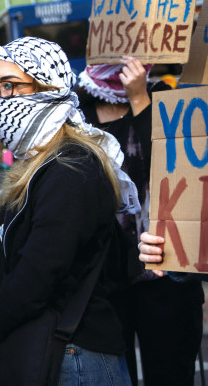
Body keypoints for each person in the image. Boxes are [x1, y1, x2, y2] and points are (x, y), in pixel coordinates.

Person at [0, 37, 136, 384]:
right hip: (48, 352)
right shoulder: (31, 169)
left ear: (50, 89)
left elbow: (37, 275)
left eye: (10, 86)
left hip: (75, 358)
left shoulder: (73, 167)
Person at [78, 59, 203, 385]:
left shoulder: (161, 97)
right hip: (103, 283)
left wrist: (139, 100)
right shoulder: (75, 111)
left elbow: (179, 165)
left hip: (166, 277)